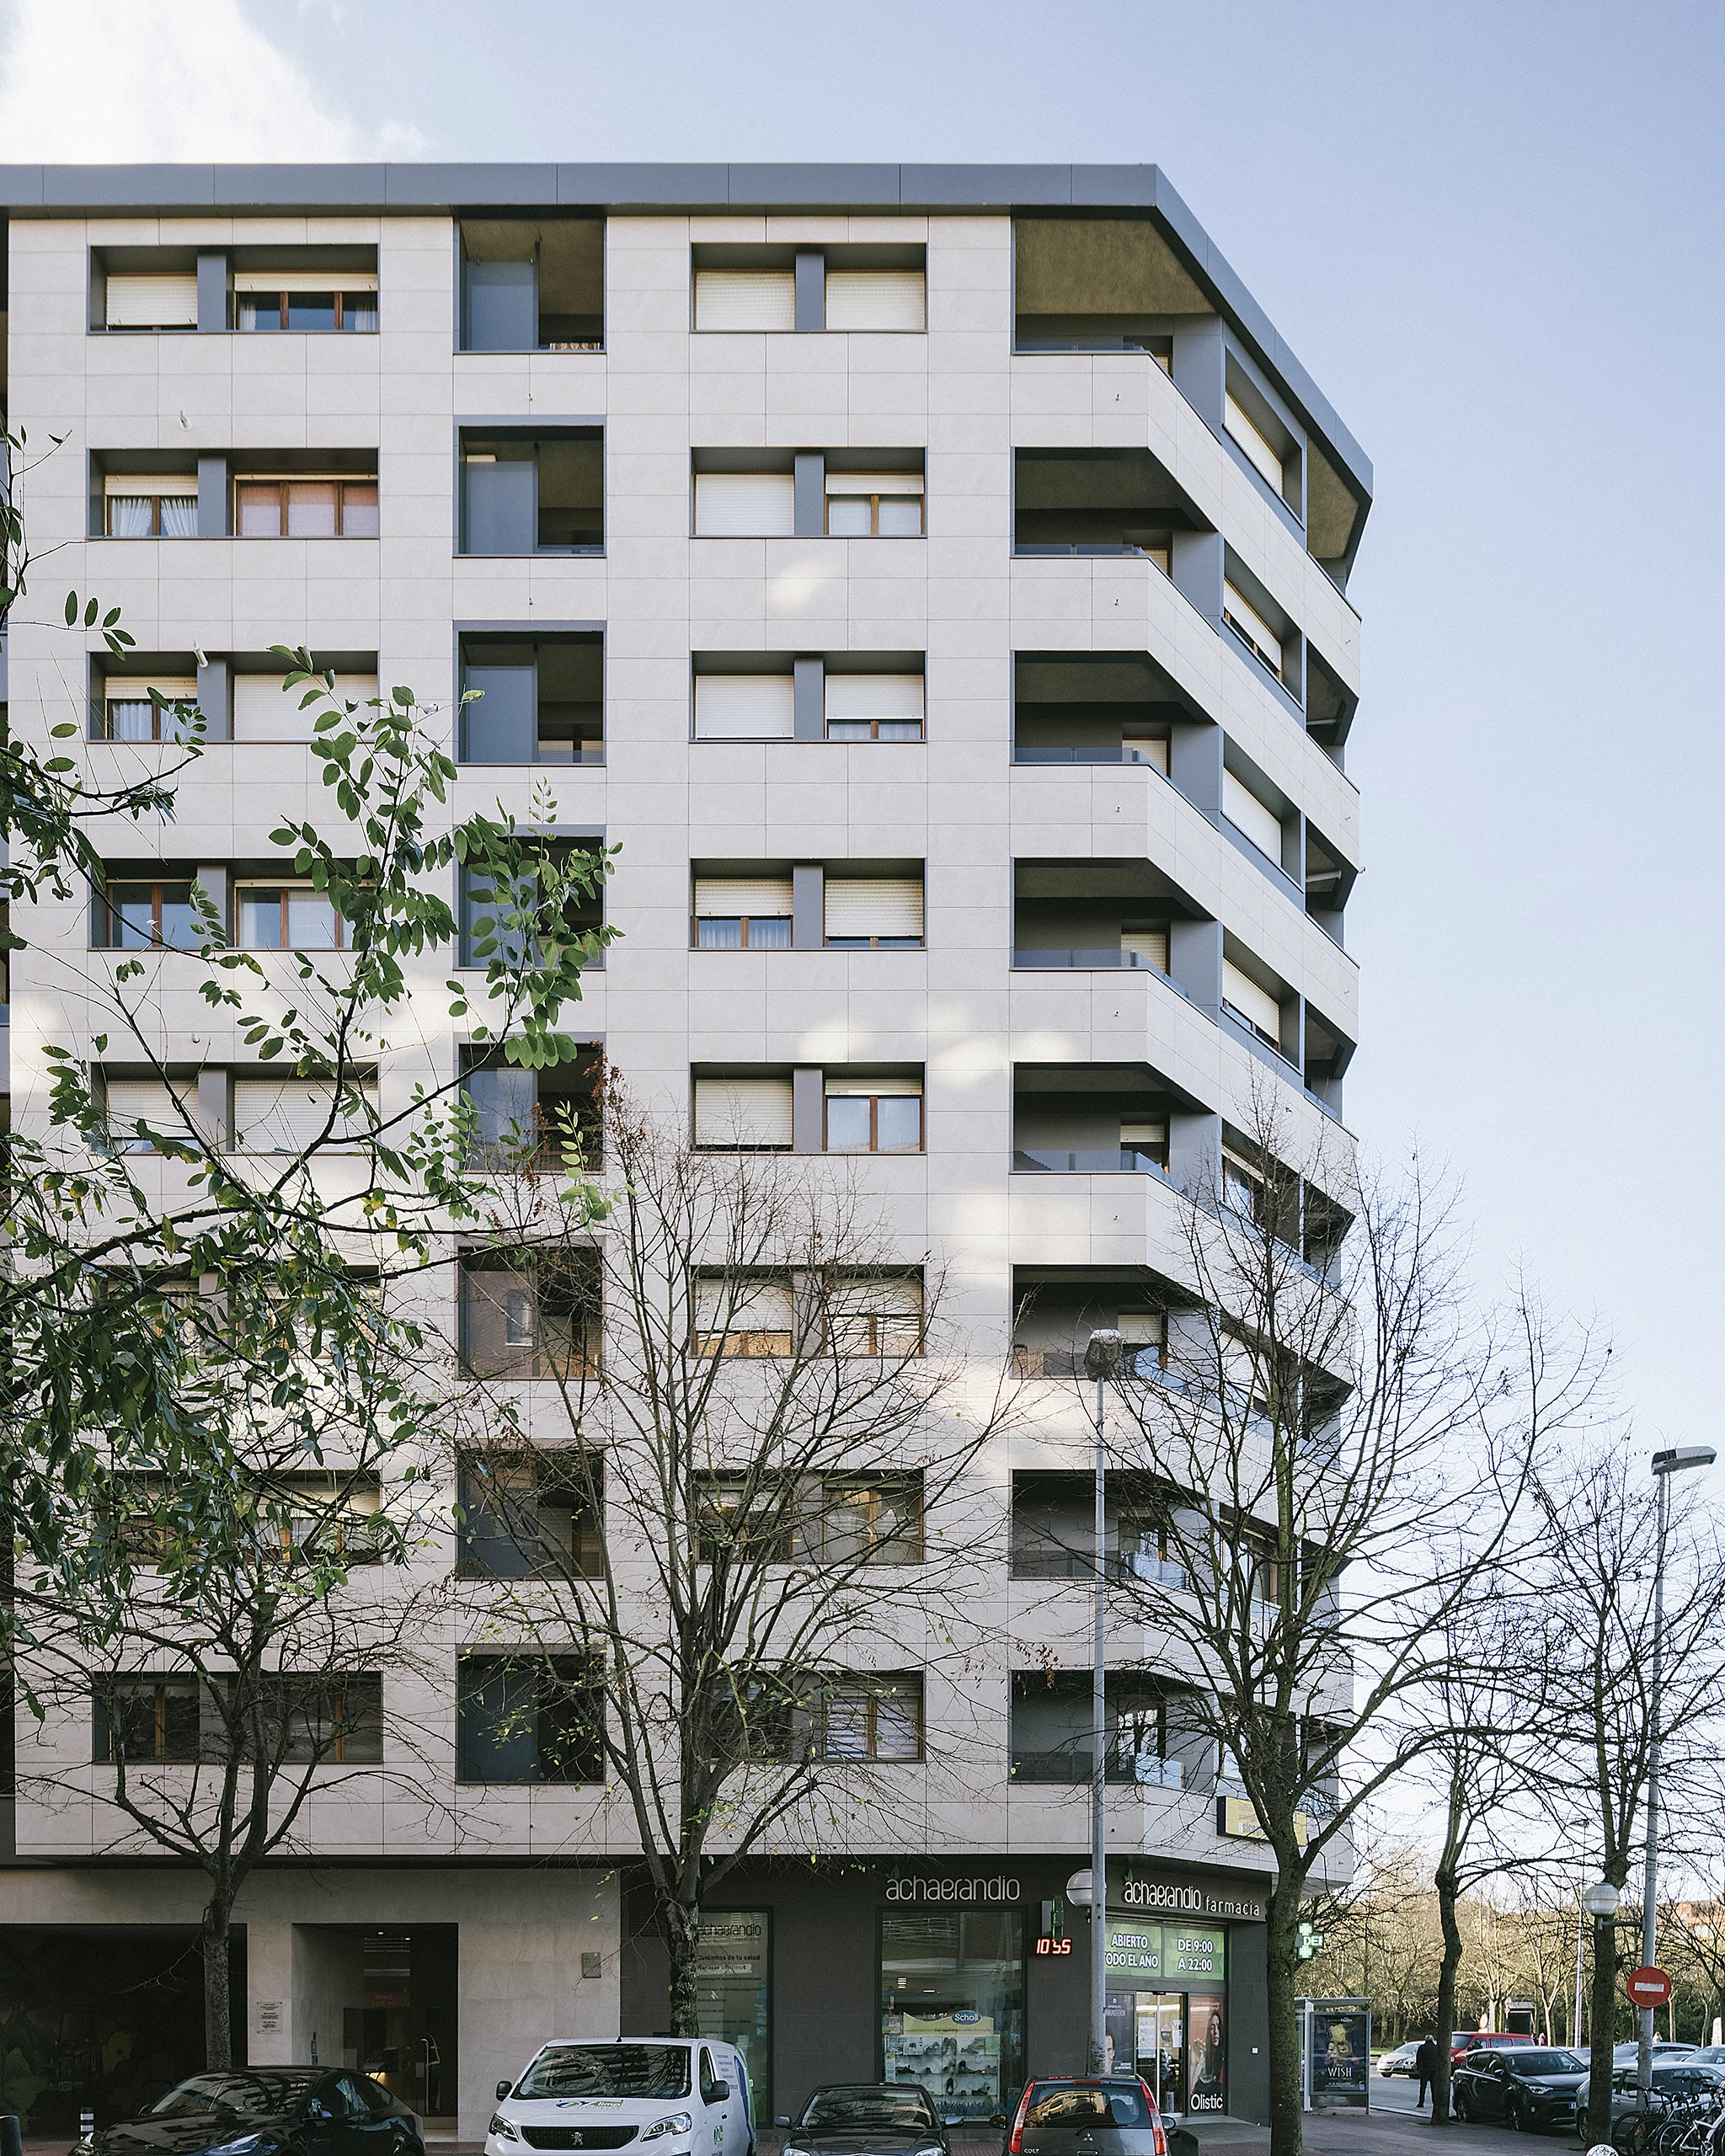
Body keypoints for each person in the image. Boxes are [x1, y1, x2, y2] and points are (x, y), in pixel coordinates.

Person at [1414, 2036, 1439, 2111]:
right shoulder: (1436, 2048)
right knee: (1433, 2087)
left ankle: (1421, 2102)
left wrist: (1419, 2068)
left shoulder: (1422, 2048)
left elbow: (1418, 2059)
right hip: (1434, 2070)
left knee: (1423, 2087)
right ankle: (1435, 2102)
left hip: (1424, 2070)